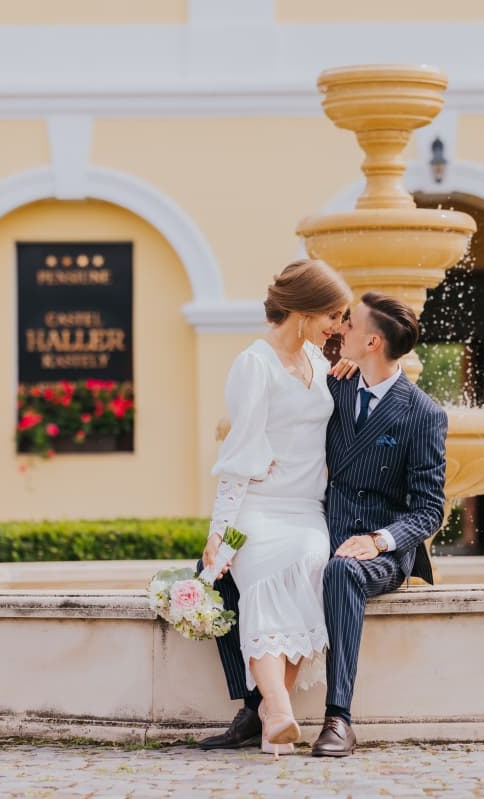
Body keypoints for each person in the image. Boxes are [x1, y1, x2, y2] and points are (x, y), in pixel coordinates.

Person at [198, 290, 448, 758]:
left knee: (338, 571)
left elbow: (430, 509)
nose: (340, 329)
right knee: (213, 567)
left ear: (372, 343)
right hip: (316, 524)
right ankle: (258, 708)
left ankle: (339, 718)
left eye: (350, 323)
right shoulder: (334, 384)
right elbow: (289, 417)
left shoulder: (423, 414)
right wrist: (265, 463)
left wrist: (379, 540)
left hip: (381, 549)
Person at [197, 259, 353, 756]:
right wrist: (220, 530)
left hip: (307, 509)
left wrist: (353, 370)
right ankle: (281, 712)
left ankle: (270, 715)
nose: (337, 324)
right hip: (259, 510)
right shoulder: (254, 363)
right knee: (264, 583)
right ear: (304, 309)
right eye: (332, 313)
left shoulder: (321, 362)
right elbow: (240, 453)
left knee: (310, 564)